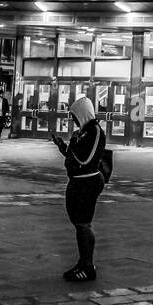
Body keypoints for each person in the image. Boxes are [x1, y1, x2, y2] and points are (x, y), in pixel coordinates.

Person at [54, 96, 107, 281]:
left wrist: (74, 143)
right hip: (78, 182)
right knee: (79, 224)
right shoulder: (84, 131)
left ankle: (87, 266)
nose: (74, 121)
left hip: (88, 182)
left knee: (83, 224)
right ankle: (83, 262)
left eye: (75, 116)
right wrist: (63, 146)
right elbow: (74, 155)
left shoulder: (95, 131)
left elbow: (85, 160)